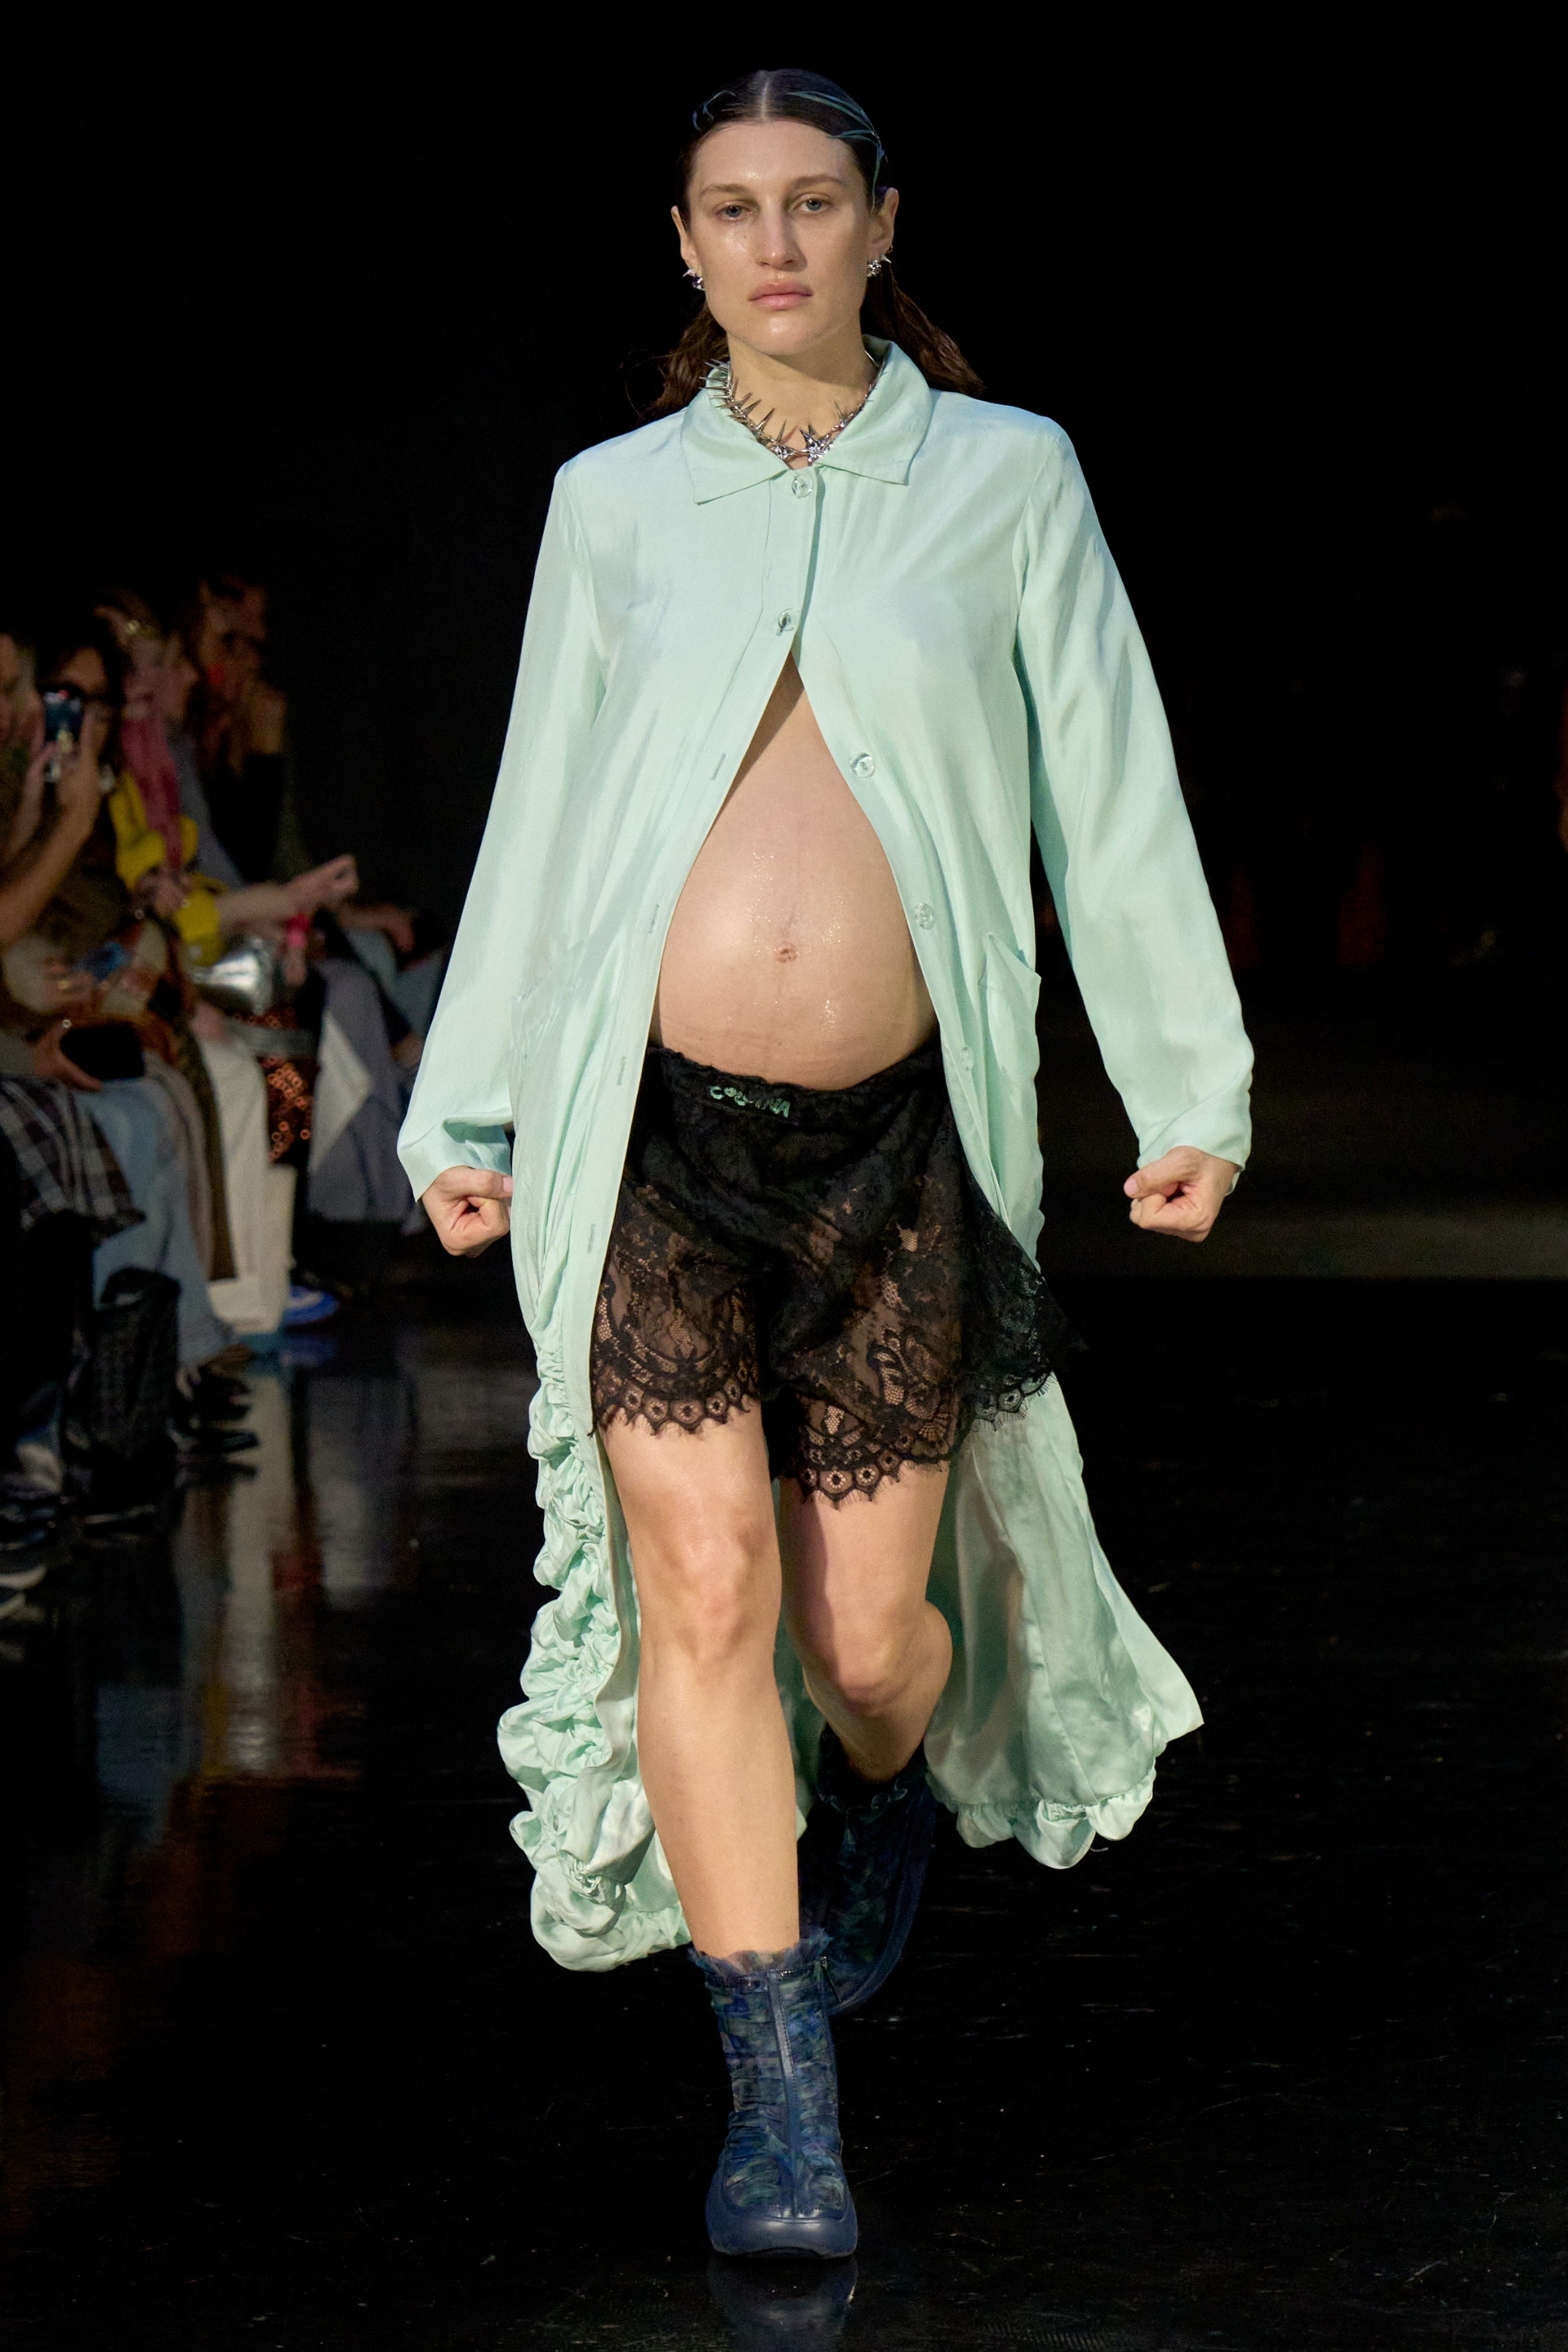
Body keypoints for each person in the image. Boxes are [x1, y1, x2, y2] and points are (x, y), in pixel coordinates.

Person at [399, 70, 1254, 2261]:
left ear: (882, 223)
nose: (772, 243)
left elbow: (1110, 787)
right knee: (702, 1589)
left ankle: (873, 1800)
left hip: (900, 1151)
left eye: (810, 202)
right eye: (730, 208)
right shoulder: (614, 504)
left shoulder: (1006, 478)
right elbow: (544, 812)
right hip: (652, 1136)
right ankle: (783, 2111)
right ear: (684, 248)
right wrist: (467, 1107)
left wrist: (1190, 1088)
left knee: (874, 1650)